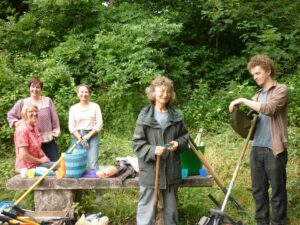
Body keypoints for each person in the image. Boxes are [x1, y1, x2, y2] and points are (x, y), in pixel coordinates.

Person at [229, 55, 288, 225]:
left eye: (258, 73)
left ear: (268, 71)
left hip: (274, 150)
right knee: (258, 191)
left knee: (277, 192)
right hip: (256, 149)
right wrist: (237, 113)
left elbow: (269, 109)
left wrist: (242, 100)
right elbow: (248, 124)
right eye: (253, 75)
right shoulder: (257, 96)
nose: (255, 77)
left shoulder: (280, 90)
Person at [132, 76, 189, 225]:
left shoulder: (176, 116)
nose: (165, 95)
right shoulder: (144, 116)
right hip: (151, 171)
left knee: (171, 210)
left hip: (171, 170)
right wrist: (152, 150)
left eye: (168, 91)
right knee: (146, 209)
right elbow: (137, 143)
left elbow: (185, 137)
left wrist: (178, 143)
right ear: (153, 93)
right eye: (161, 91)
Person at [7, 77, 61, 161]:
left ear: (41, 89)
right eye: (32, 86)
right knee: (36, 170)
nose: (35, 89)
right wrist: (16, 123)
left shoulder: (47, 101)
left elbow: (55, 119)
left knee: (56, 166)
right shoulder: (22, 103)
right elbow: (10, 115)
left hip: (48, 142)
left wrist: (54, 133)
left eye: (38, 87)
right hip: (31, 144)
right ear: (29, 88)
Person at [68, 84, 103, 171]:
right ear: (77, 94)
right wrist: (80, 138)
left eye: (86, 92)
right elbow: (71, 127)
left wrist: (88, 136)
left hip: (92, 135)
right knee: (76, 164)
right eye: (81, 92)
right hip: (77, 137)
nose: (84, 94)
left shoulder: (95, 106)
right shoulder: (73, 108)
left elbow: (99, 124)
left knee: (93, 164)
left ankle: (95, 183)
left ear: (89, 93)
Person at [14, 104, 54, 173]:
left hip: (37, 164)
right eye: (31, 111)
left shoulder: (34, 126)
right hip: (28, 169)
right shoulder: (22, 130)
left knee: (59, 165)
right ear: (24, 114)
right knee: (58, 167)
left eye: (36, 111)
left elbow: (38, 148)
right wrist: (41, 161)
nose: (34, 113)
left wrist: (46, 159)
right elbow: (23, 155)